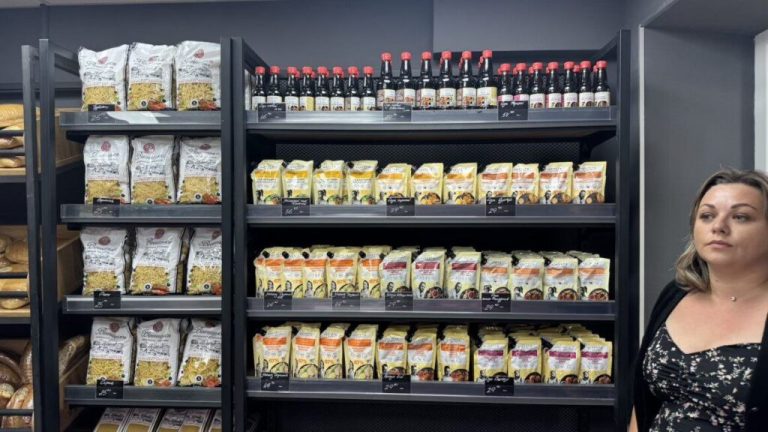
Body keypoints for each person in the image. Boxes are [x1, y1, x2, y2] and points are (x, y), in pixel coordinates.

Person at [630, 169, 768, 432]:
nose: (718, 226)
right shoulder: (676, 294)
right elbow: (644, 403)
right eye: (707, 216)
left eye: (740, 217)